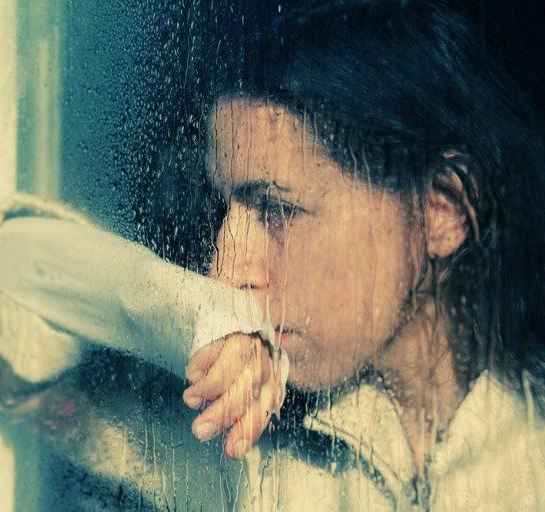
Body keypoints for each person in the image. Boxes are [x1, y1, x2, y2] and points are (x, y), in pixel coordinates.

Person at [178, 0, 545, 509]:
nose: (224, 272)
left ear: (443, 207)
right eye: (223, 211)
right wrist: (181, 341)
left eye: (277, 210)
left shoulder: (531, 459)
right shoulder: (256, 442)